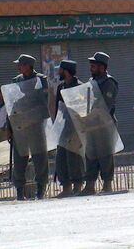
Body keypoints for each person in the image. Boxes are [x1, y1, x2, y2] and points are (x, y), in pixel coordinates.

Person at [9, 54, 49, 200]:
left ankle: (41, 189)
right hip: (20, 125)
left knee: (39, 158)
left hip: (35, 124)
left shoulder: (40, 80)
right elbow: (11, 105)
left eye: (20, 64)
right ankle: (20, 190)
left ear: (28, 65)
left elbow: (43, 101)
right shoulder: (16, 81)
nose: (18, 67)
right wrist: (10, 127)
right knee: (20, 158)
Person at [81, 52, 119, 195]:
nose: (91, 67)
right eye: (91, 65)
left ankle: (107, 184)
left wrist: (93, 114)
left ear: (103, 67)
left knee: (105, 155)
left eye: (95, 65)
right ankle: (89, 185)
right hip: (91, 125)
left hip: (104, 124)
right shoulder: (91, 82)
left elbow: (106, 105)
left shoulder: (109, 83)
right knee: (90, 155)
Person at [54, 60, 85, 198]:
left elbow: (84, 109)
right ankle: (66, 187)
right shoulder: (61, 87)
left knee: (75, 158)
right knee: (61, 158)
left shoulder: (80, 87)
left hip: (76, 128)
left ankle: (78, 186)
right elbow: (58, 109)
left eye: (60, 70)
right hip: (63, 127)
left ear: (65, 71)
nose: (58, 72)